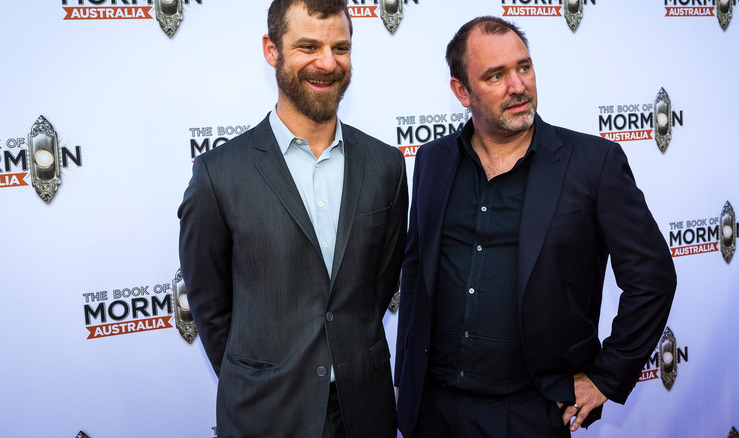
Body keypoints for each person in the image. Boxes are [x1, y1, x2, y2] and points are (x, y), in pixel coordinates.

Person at [394, 16, 676, 438]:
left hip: (531, 413)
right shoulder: (433, 160)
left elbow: (652, 279)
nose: (518, 85)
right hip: (433, 410)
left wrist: (605, 376)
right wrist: (406, 378)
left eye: (523, 67)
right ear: (461, 91)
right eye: (496, 75)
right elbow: (415, 274)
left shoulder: (592, 163)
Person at [178, 1, 407, 436]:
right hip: (265, 414)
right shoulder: (218, 174)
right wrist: (263, 375)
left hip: (365, 412)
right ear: (271, 50)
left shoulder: (387, 166)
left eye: (340, 47)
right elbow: (210, 307)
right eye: (307, 46)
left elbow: (376, 288)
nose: (327, 62)